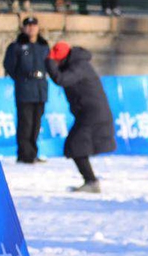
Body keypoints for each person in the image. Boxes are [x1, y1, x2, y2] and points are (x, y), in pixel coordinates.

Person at [44, 41, 116, 193]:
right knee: (75, 146)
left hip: (93, 113)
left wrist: (49, 62)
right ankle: (90, 180)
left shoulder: (79, 66)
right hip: (88, 112)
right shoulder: (77, 63)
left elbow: (61, 79)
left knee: (75, 145)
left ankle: (91, 181)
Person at [3, 16, 50, 163]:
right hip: (25, 90)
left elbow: (49, 64)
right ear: (23, 28)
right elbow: (9, 66)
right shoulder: (16, 46)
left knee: (36, 123)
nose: (31, 28)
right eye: (28, 25)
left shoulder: (43, 46)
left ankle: (33, 152)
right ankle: (24, 154)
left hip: (40, 90)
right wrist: (22, 78)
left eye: (33, 25)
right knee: (25, 122)